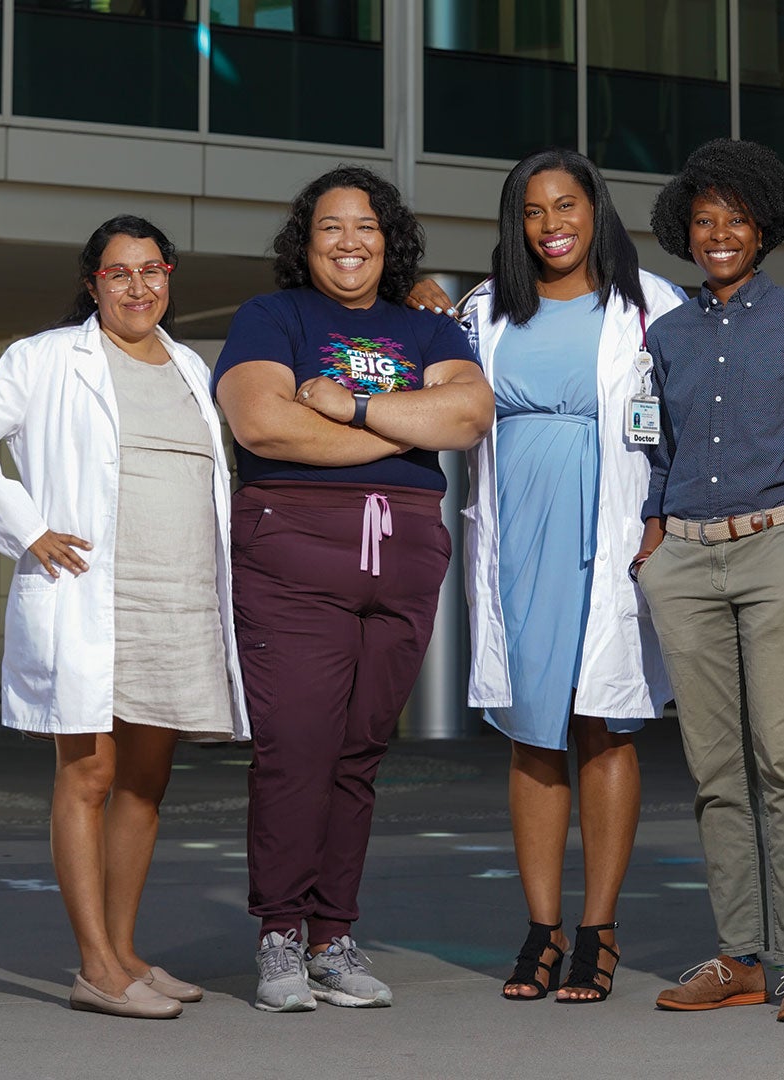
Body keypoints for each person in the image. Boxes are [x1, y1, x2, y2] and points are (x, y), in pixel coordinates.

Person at [407, 147, 784, 1004]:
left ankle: (604, 934)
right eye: (533, 211)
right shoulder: (486, 307)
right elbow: (412, 356)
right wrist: (415, 292)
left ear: (595, 209)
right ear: (516, 222)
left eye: (566, 205)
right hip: (522, 534)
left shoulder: (654, 302)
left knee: (608, 724)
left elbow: (740, 368)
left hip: (618, 534)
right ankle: (544, 930)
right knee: (534, 732)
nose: (552, 224)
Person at [0, 215, 248, 1020]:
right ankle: (95, 968)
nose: (138, 286)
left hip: (177, 594)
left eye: (152, 269)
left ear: (170, 276)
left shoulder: (190, 367)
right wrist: (24, 526)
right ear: (92, 283)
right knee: (92, 774)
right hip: (92, 591)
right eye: (119, 273)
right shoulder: (46, 359)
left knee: (147, 780)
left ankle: (127, 952)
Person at [213, 165, 493, 1012]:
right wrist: (406, 428)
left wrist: (350, 408)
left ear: (390, 238)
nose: (348, 241)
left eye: (365, 226)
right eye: (330, 226)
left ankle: (334, 936)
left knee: (359, 753)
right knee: (296, 747)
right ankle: (279, 935)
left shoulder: (427, 323)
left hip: (403, 560)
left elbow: (469, 416)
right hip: (296, 553)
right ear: (307, 241)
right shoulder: (273, 316)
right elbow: (261, 421)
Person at [635, 138, 784, 1023]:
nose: (719, 233)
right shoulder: (668, 335)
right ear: (684, 233)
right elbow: (659, 454)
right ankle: (738, 955)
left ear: (763, 228)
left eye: (735, 218)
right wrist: (654, 552)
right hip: (686, 561)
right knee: (715, 771)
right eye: (703, 220)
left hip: (783, 553)